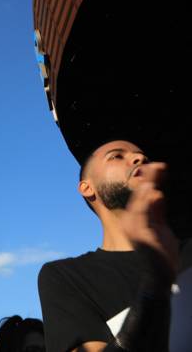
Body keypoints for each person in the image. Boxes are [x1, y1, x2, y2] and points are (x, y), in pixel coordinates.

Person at [38, 140, 180, 352]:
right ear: (87, 187)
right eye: (117, 156)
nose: (139, 159)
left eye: (144, 158)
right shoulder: (67, 277)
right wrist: (155, 285)